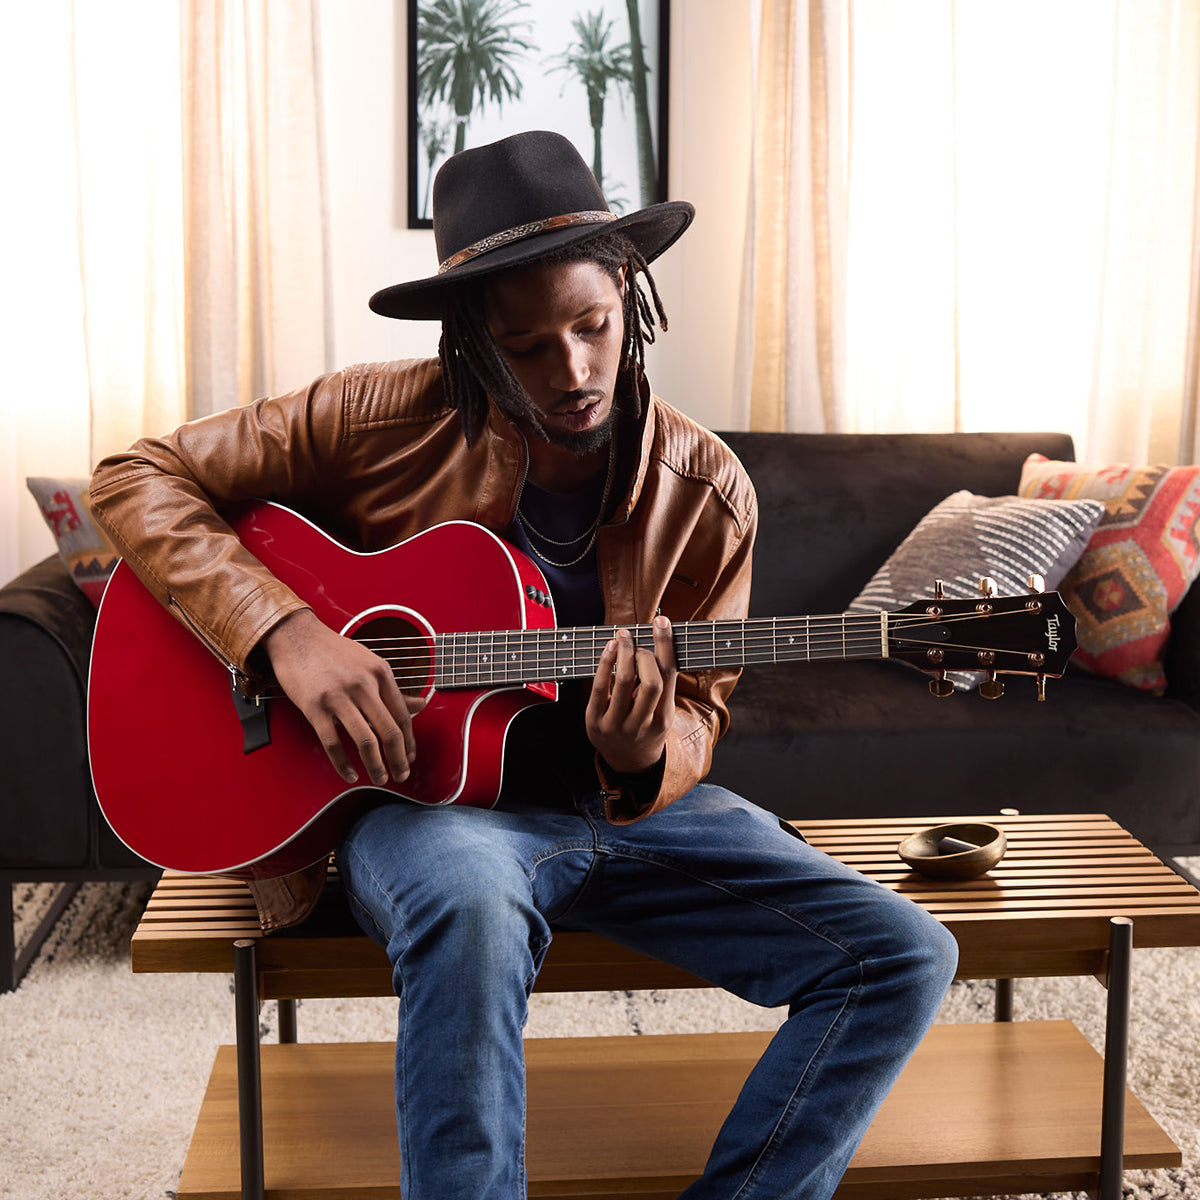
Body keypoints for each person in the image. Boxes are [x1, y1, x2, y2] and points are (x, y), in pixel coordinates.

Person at [90, 130, 957, 1200]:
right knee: (470, 902)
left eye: (592, 329)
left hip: (628, 815)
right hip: (434, 816)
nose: (575, 371)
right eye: (531, 348)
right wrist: (284, 632)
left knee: (907, 953)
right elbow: (138, 476)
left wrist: (645, 755)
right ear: (476, 344)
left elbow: (701, 709)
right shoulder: (374, 416)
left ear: (630, 297)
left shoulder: (711, 489)